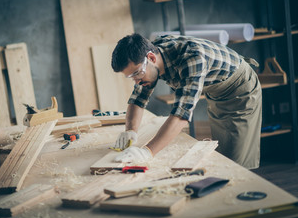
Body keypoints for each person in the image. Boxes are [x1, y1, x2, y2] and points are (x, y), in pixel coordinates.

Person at [111, 33, 262, 169]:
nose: (137, 82)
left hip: (240, 91)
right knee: (223, 154)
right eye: (131, 77)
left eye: (138, 74)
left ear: (151, 58)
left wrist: (147, 152)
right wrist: (130, 131)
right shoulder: (151, 61)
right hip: (216, 92)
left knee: (236, 160)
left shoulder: (192, 58)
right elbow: (138, 98)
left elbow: (181, 114)